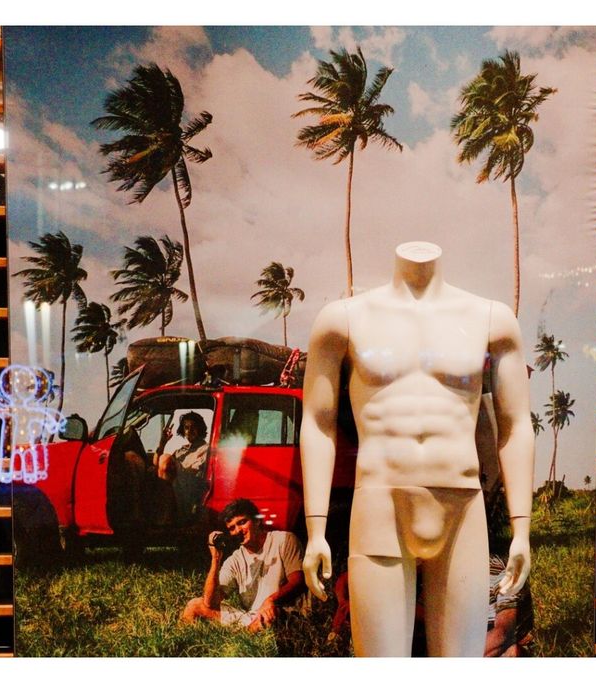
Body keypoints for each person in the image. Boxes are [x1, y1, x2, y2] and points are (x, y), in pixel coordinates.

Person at [300, 242, 535, 656]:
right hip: (381, 505)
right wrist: (315, 530)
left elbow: (515, 427)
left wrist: (522, 530)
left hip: (461, 508)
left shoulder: (491, 319)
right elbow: (318, 425)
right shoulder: (344, 320)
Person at [181, 498, 305, 632]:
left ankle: (242, 637)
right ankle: (185, 642)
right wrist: (215, 559)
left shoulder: (283, 540)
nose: (238, 530)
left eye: (242, 522)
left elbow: (298, 581)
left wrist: (271, 600)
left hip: (283, 612)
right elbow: (210, 602)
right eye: (232, 528)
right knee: (194, 605)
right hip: (251, 617)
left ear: (257, 521)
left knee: (267, 617)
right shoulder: (235, 560)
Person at [155, 412, 210, 520]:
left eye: (193, 427)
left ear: (200, 428)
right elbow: (157, 463)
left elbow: (196, 472)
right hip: (175, 485)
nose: (189, 430)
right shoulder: (181, 450)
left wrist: (173, 466)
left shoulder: (206, 449)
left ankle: (167, 517)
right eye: (186, 427)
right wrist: (162, 443)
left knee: (165, 459)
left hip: (191, 486)